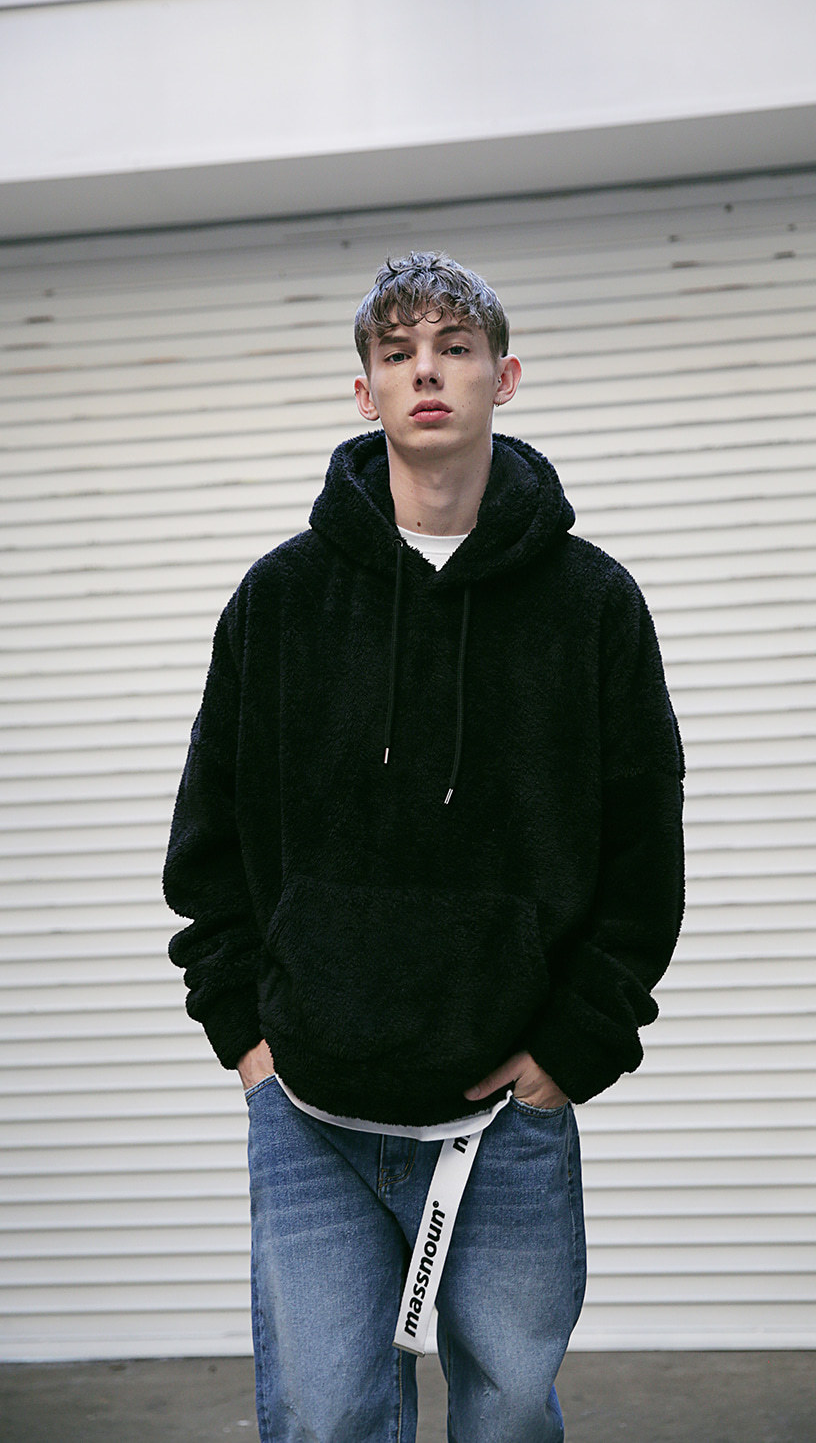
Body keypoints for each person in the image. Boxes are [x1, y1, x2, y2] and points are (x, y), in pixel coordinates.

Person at [164, 251, 685, 1443]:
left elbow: (643, 849)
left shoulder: (591, 604)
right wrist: (247, 1037)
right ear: (366, 393)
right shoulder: (281, 602)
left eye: (454, 347)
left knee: (507, 1415)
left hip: (505, 1116)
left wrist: (575, 1044)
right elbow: (209, 838)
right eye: (397, 354)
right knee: (324, 1418)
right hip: (309, 1106)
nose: (426, 372)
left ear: (505, 375)